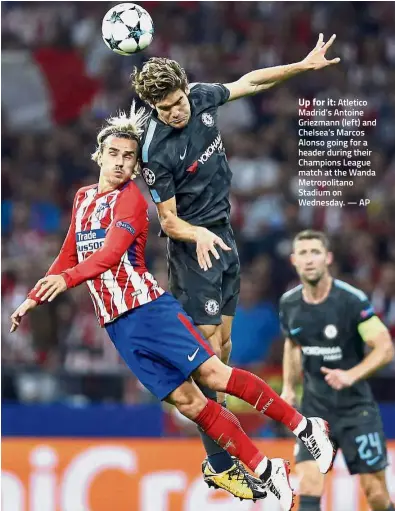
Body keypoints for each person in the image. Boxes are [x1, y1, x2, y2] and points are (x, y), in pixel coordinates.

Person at [10, 111, 335, 511]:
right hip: (118, 327)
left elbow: (111, 255)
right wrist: (35, 296)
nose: (121, 162)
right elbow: (68, 253)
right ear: (99, 155)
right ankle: (268, 472)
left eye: (129, 157)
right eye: (113, 153)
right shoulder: (82, 199)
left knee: (214, 374)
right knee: (189, 404)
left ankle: (305, 427)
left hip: (149, 310)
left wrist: (68, 280)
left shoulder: (130, 200)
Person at [131, 33, 340, 497]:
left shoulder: (202, 96)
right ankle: (223, 461)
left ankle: (221, 458)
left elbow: (249, 82)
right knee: (208, 363)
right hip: (193, 251)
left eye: (179, 101)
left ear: (186, 88)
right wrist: (197, 232)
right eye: (164, 108)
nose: (176, 112)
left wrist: (301, 67)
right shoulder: (155, 150)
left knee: (223, 350)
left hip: (223, 237)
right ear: (153, 108)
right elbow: (167, 220)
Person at [279, 230, 395, 511]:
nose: (309, 259)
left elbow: (384, 347)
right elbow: (293, 344)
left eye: (315, 252)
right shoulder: (289, 304)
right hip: (315, 412)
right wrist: (288, 388)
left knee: (376, 492)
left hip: (356, 411)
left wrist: (351, 375)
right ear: (294, 260)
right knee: (308, 486)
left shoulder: (351, 301)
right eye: (303, 253)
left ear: (328, 258)